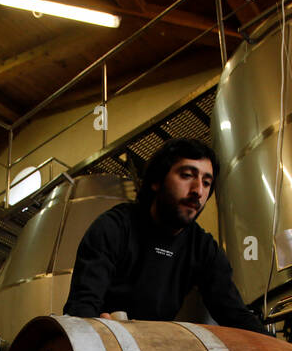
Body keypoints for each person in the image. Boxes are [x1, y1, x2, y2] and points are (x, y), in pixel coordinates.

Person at [63, 138, 269, 334]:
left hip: (153, 350)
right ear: (157, 181)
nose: (198, 190)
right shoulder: (114, 227)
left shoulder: (203, 248)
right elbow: (81, 306)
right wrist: (96, 329)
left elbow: (233, 313)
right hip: (102, 350)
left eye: (206, 182)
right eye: (187, 175)